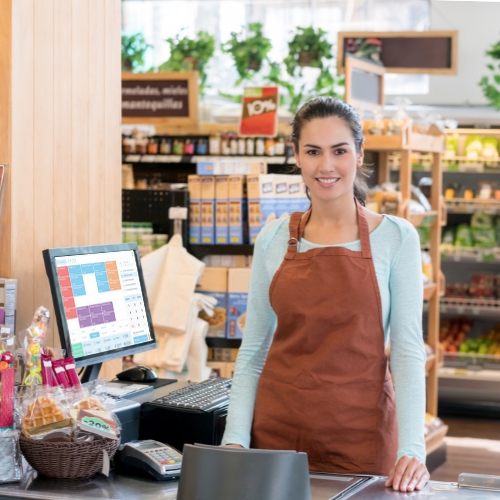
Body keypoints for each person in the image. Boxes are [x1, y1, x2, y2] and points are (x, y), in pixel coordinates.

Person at [222, 97, 429, 493]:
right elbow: (253, 351)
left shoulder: (397, 237)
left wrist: (413, 450)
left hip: (361, 441)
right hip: (277, 439)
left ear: (359, 154)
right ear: (296, 156)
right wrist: (234, 441)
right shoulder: (273, 238)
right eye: (313, 152)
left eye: (339, 151)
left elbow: (406, 351)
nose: (326, 166)